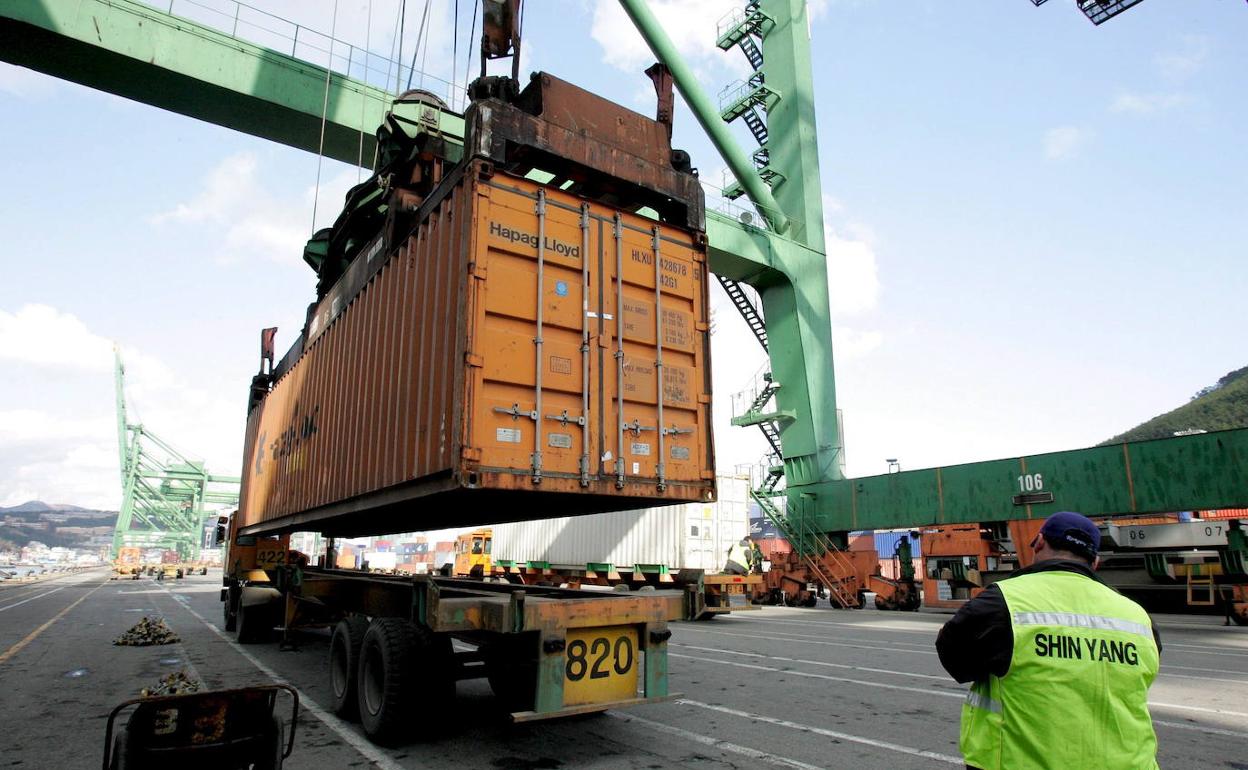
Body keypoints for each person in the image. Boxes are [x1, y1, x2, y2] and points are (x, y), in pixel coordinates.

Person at [935, 511, 1161, 770]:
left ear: (1039, 543)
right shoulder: (1136, 616)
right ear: (1095, 561)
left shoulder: (1004, 601)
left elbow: (956, 660)